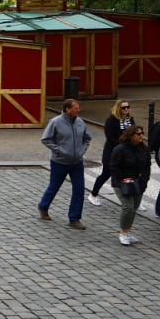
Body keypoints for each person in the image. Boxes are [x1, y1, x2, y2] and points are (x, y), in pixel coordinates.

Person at [39, 98, 91, 229]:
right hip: (59, 162)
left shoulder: (80, 122)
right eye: (76, 108)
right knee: (54, 187)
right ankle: (43, 206)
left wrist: (81, 151)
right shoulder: (55, 122)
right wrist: (59, 151)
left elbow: (87, 138)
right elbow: (46, 139)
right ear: (67, 109)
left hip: (77, 162)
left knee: (79, 190)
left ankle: (74, 218)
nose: (78, 110)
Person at [109, 124, 152, 245]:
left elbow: (147, 165)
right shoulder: (120, 149)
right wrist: (123, 178)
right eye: (138, 134)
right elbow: (113, 166)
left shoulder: (143, 149)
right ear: (130, 135)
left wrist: (144, 180)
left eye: (142, 133)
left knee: (135, 208)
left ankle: (128, 231)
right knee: (128, 207)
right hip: (121, 182)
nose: (141, 136)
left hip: (138, 183)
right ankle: (123, 232)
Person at [89, 99, 136, 205]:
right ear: (118, 108)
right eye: (124, 107)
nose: (126, 109)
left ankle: (131, 198)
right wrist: (123, 144)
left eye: (128, 107)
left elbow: (134, 132)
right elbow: (110, 137)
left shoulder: (130, 119)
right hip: (112, 152)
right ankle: (93, 194)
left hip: (127, 152)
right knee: (106, 173)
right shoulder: (111, 120)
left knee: (128, 174)